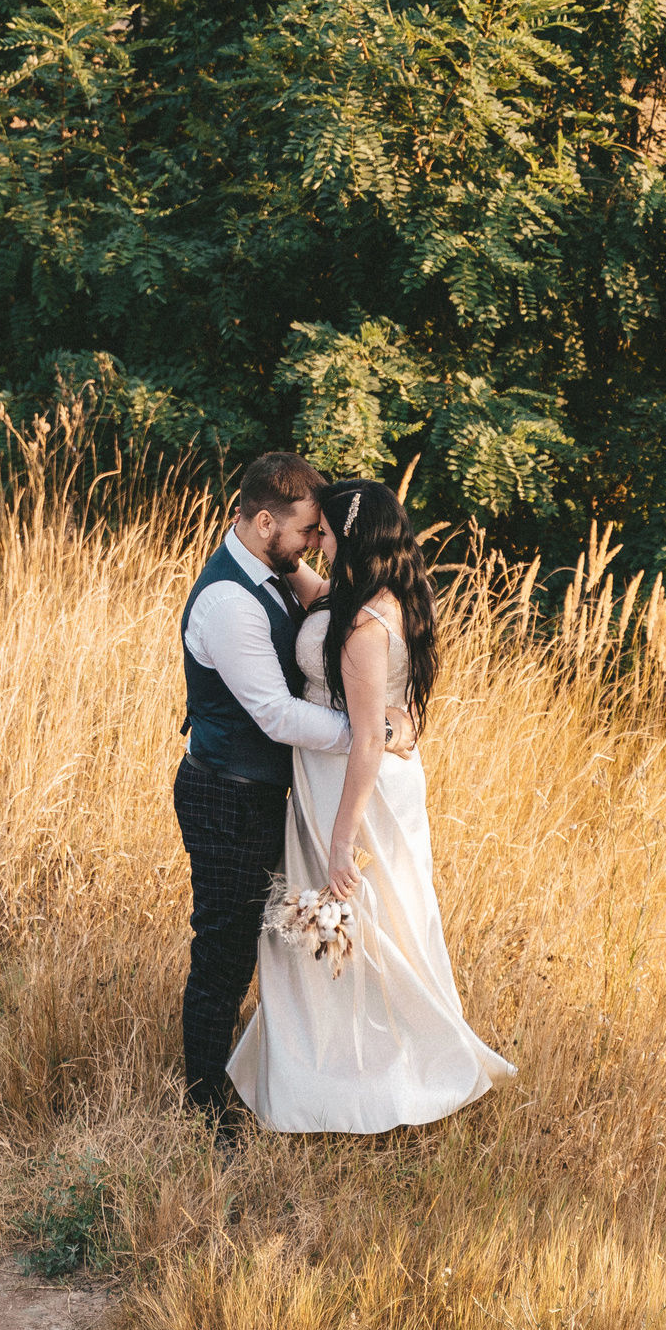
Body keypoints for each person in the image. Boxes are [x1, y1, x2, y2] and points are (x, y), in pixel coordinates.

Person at [226, 476, 515, 1133]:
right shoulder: (367, 598)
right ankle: (333, 1071)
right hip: (350, 782)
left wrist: (338, 839)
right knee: (350, 929)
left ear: (350, 538)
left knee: (359, 928)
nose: (315, 541)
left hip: (356, 794)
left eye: (323, 531)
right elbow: (310, 585)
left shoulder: (360, 625)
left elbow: (363, 740)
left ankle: (367, 1082)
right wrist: (263, 538)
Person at [173, 452, 409, 1137]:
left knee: (276, 941)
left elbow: (340, 609)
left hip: (260, 791)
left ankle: (289, 1077)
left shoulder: (270, 568)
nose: (313, 544)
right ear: (265, 521)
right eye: (307, 530)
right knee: (224, 947)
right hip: (226, 793)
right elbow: (275, 716)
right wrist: (370, 730)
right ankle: (204, 1105)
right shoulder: (226, 601)